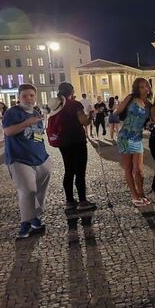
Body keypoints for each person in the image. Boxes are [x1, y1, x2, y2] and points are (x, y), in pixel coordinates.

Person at [2, 84, 51, 239]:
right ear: (19, 97)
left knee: (40, 189)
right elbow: (8, 131)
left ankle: (35, 217)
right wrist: (28, 122)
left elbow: (35, 136)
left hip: (40, 157)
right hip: (19, 158)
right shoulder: (12, 113)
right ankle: (26, 223)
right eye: (25, 96)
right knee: (28, 189)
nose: (28, 99)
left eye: (31, 95)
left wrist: (43, 153)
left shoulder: (36, 112)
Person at [54, 82, 97, 211]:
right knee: (80, 171)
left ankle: (70, 201)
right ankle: (83, 201)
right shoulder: (75, 104)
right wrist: (91, 115)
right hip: (77, 140)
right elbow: (84, 121)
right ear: (71, 92)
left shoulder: (56, 105)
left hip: (63, 141)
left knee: (68, 170)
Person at [117, 78, 151, 207]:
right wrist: (117, 108)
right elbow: (118, 111)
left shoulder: (148, 104)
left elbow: (150, 120)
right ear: (137, 89)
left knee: (140, 170)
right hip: (125, 136)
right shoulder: (131, 98)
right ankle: (134, 195)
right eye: (141, 87)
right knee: (129, 168)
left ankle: (141, 194)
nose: (144, 89)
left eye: (145, 86)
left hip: (137, 138)